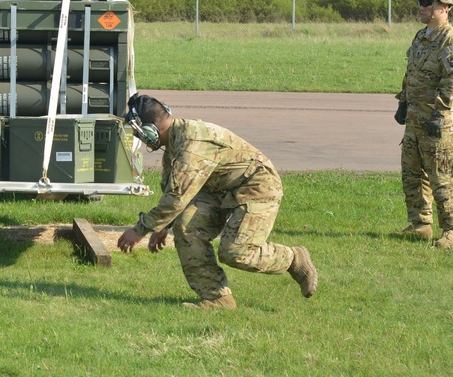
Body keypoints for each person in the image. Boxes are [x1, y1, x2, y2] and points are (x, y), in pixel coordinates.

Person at [116, 93, 317, 309]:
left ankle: (293, 258)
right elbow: (172, 190)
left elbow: (176, 198)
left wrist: (140, 229)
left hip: (256, 185)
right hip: (219, 189)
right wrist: (164, 224)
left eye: (141, 134)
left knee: (236, 252)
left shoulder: (192, 144)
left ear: (150, 130)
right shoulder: (175, 140)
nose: (142, 140)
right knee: (186, 228)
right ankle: (217, 299)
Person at [393, 0, 453, 249]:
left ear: (444, 6)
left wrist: (439, 113)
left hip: (438, 121)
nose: (422, 7)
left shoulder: (452, 39)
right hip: (415, 118)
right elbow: (411, 71)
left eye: (427, 3)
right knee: (412, 173)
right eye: (420, 2)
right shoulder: (421, 36)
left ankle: (451, 228)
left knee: (442, 176)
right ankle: (420, 224)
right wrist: (403, 101)